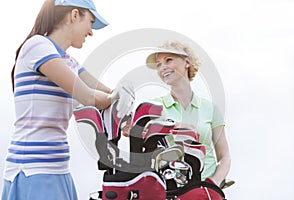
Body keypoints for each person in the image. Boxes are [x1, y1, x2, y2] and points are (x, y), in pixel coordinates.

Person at [2, 0, 134, 199]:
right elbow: (89, 96)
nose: (91, 32)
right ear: (74, 15)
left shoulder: (69, 61)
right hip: (32, 170)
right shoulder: (38, 46)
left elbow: (107, 92)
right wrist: (117, 96)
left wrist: (124, 99)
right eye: (90, 22)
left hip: (58, 169)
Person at [144, 41, 231, 187]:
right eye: (159, 64)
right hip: (169, 191)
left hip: (206, 190)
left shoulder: (210, 109)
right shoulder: (153, 108)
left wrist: (213, 184)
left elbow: (224, 157)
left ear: (187, 62)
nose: (162, 67)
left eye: (168, 60)